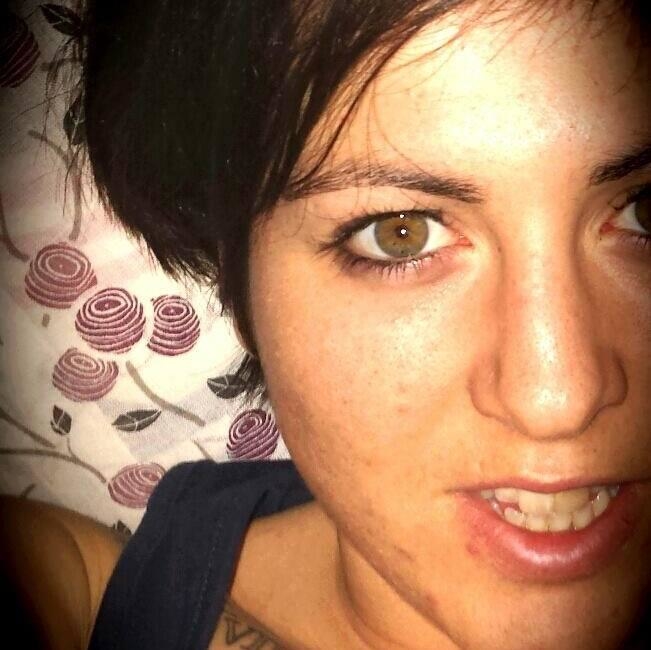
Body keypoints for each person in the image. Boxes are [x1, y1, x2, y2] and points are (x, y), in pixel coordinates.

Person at [1, 0, 651, 648]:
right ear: (238, 281)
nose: (558, 400)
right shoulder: (85, 596)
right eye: (399, 234)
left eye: (643, 211)